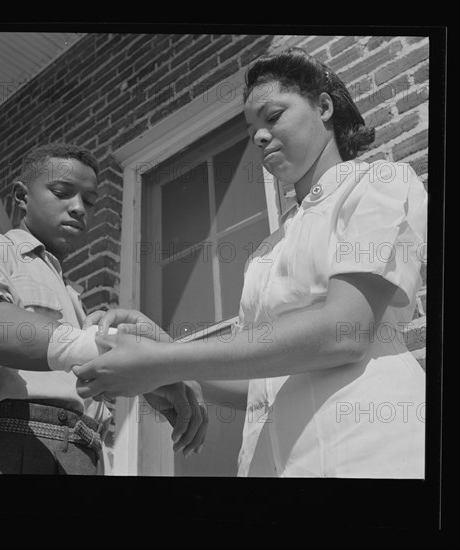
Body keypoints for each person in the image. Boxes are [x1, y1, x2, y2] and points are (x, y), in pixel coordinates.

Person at [73, 47, 427, 478]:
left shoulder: (376, 184)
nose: (259, 137)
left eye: (273, 116)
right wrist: (164, 347)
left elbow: (344, 330)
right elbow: (252, 384)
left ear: (324, 106)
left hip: (369, 452)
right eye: (251, 129)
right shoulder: (266, 250)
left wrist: (162, 362)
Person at [0, 143, 207, 476]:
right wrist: (117, 346)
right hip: (17, 441)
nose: (78, 208)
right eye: (61, 192)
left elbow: (83, 370)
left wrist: (152, 378)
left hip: (87, 450)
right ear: (20, 196)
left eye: (88, 201)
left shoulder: (73, 295)